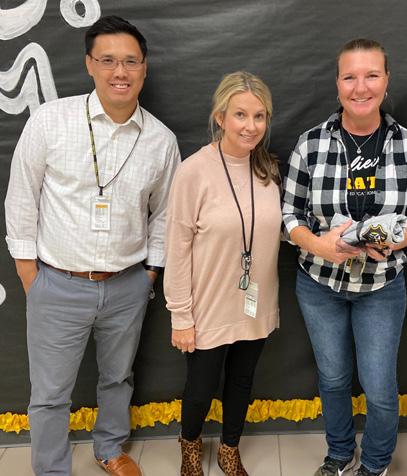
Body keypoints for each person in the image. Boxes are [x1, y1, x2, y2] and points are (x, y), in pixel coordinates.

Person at [4, 15, 180, 476]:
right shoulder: (51, 121)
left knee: (118, 378)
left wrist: (149, 274)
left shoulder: (160, 140)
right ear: (89, 64)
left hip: (127, 284)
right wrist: (29, 273)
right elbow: (21, 198)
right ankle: (52, 469)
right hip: (56, 283)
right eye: (108, 60)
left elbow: (165, 214)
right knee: (50, 393)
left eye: (130, 61)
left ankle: (110, 448)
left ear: (144, 67)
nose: (120, 72)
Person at [282, 39, 407, 476]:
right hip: (319, 284)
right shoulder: (310, 144)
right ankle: (340, 454)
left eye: (371, 75)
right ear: (337, 83)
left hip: (381, 286)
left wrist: (395, 241)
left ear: (387, 81)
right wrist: (319, 245)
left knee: (380, 386)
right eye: (350, 77)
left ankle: (377, 463)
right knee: (332, 379)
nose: (360, 87)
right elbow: (288, 216)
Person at [164, 71, 281, 476]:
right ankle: (190, 445)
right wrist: (181, 315)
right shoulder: (193, 171)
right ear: (220, 117)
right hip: (208, 306)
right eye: (240, 115)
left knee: (242, 381)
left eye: (259, 116)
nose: (251, 126)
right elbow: (176, 248)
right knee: (200, 388)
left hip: (254, 303)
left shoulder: (268, 171)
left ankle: (230, 447)